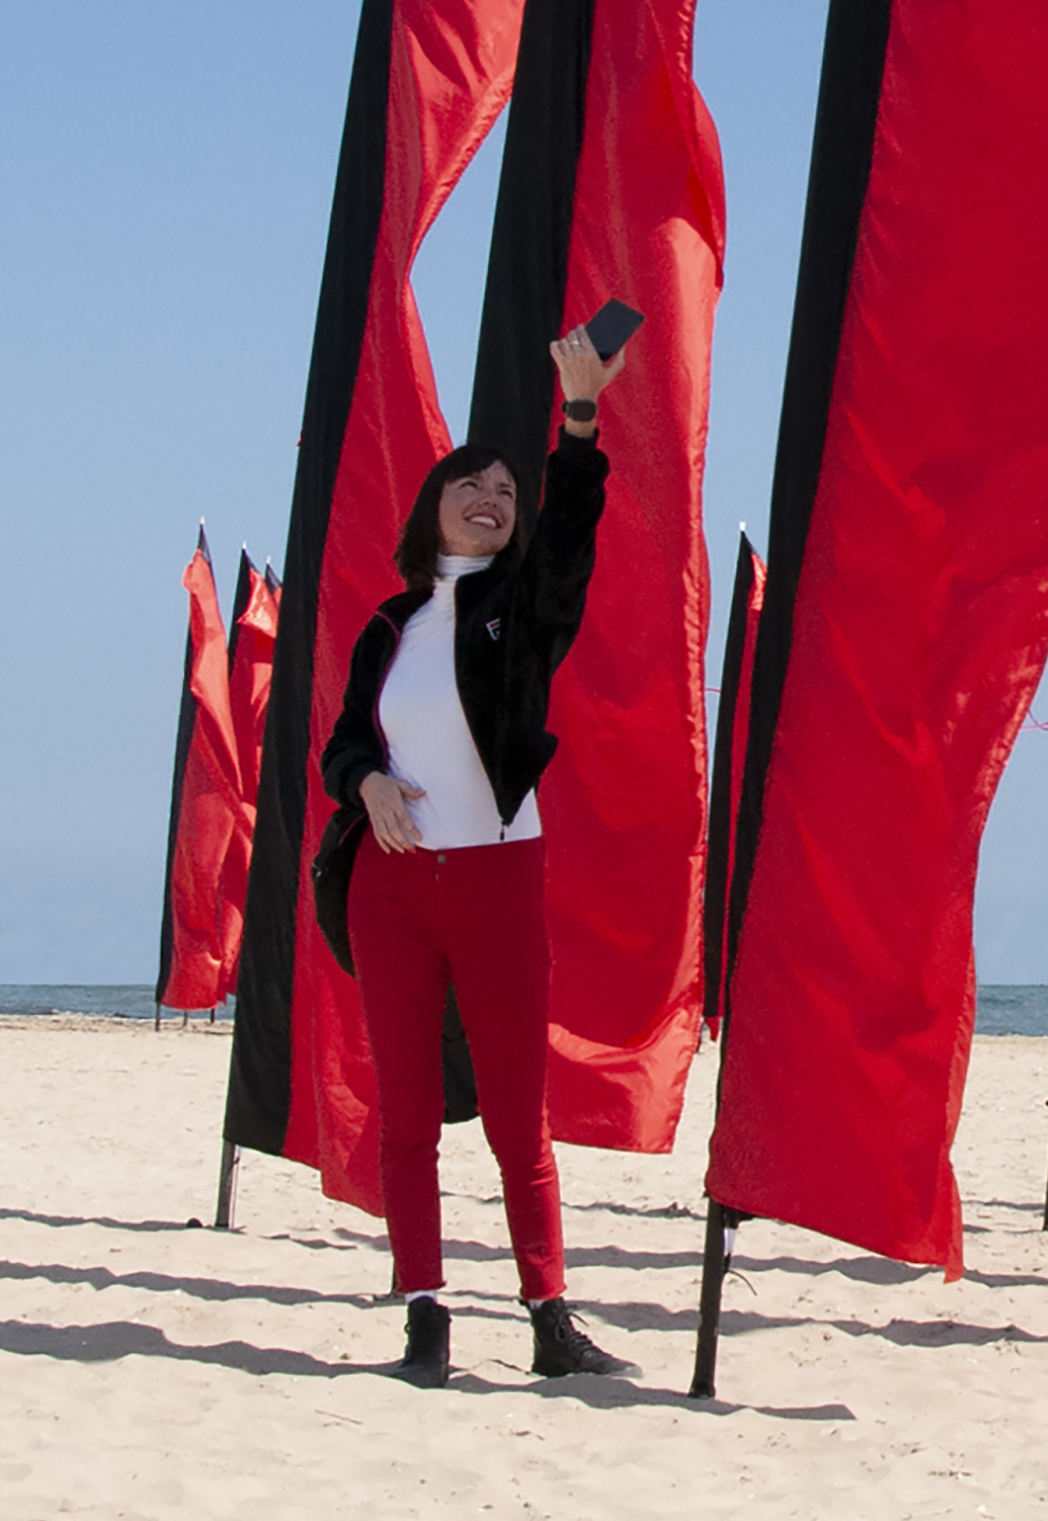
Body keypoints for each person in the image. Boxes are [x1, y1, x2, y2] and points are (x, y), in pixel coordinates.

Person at [320, 327, 637, 1388]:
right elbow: (343, 743)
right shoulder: (389, 625)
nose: (492, 497)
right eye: (473, 484)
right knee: (407, 1113)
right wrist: (365, 782)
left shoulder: (523, 609)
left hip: (499, 880)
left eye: (506, 490)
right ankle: (425, 1316)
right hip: (392, 889)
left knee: (514, 1112)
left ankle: (548, 1315)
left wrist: (579, 418)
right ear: (435, 505)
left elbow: (571, 535)